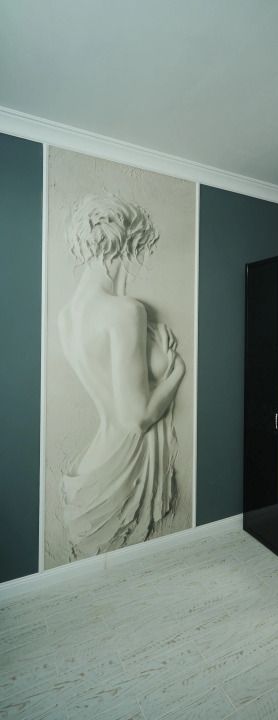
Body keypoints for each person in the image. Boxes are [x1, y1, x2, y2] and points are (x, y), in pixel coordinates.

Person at [58, 193, 185, 559]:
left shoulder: (66, 316)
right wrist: (176, 371)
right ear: (125, 248)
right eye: (139, 251)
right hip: (118, 467)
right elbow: (137, 418)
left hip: (91, 463)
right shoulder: (124, 311)